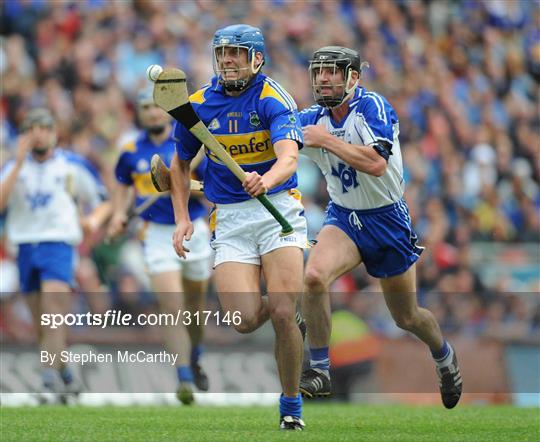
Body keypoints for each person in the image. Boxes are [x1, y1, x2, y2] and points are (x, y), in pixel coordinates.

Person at [298, 46, 463, 409]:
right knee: (313, 277)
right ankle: (320, 367)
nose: (323, 78)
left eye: (333, 72)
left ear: (353, 77)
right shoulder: (310, 116)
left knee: (407, 316)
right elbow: (273, 148)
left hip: (386, 219)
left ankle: (443, 355)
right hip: (342, 217)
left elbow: (374, 164)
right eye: (319, 72)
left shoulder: (372, 107)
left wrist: (325, 140)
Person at [169, 24, 307, 430]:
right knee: (243, 320)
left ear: (257, 59)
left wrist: (267, 179)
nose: (228, 59)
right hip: (229, 215)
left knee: (281, 310)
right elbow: (180, 164)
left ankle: (291, 406)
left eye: (237, 53)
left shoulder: (272, 98)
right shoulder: (197, 105)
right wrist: (181, 217)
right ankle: (290, 311)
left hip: (277, 208)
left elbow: (289, 158)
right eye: (223, 52)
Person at [107, 89, 212, 404]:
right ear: (139, 113)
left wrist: (176, 184)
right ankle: (183, 378)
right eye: (145, 108)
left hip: (193, 229)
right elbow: (123, 189)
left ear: (164, 111)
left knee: (195, 311)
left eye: (155, 107)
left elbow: (208, 189)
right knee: (172, 307)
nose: (152, 113)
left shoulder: (188, 144)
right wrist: (117, 216)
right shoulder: (129, 150)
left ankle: (194, 355)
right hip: (155, 234)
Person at [0, 108, 110, 399]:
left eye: (44, 127)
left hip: (58, 245)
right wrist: (17, 162)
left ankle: (47, 380)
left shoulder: (71, 165)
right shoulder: (13, 167)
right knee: (41, 323)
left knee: (53, 313)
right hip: (25, 246)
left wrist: (93, 221)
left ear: (53, 132)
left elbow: (102, 201)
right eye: (32, 128)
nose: (39, 133)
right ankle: (65, 372)